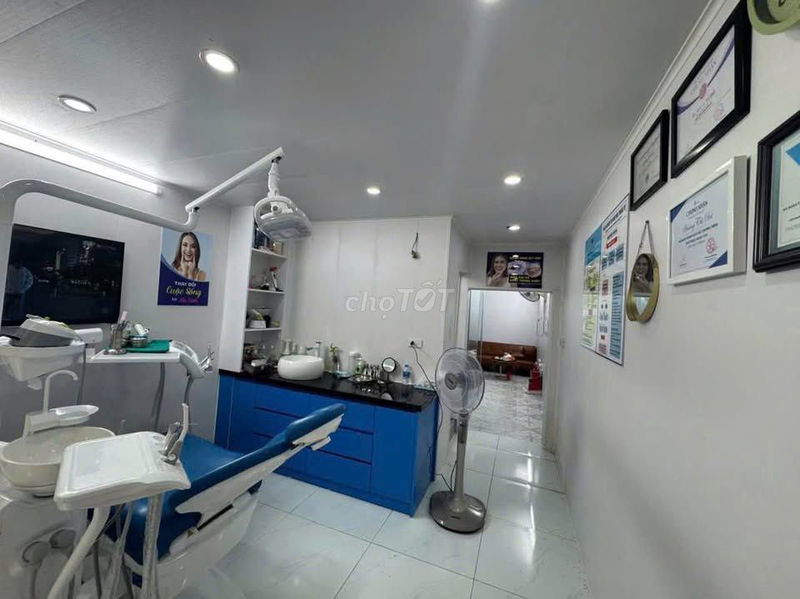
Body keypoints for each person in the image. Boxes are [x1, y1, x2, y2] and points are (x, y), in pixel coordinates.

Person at [4, 254, 34, 322]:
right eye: (18, 263)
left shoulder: (25, 271)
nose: (19, 264)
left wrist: (24, 289)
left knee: (17, 306)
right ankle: (5, 317)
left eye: (20, 263)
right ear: (14, 262)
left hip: (19, 292)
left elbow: (30, 280)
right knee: (6, 305)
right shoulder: (8, 269)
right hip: (8, 292)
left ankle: (15, 318)